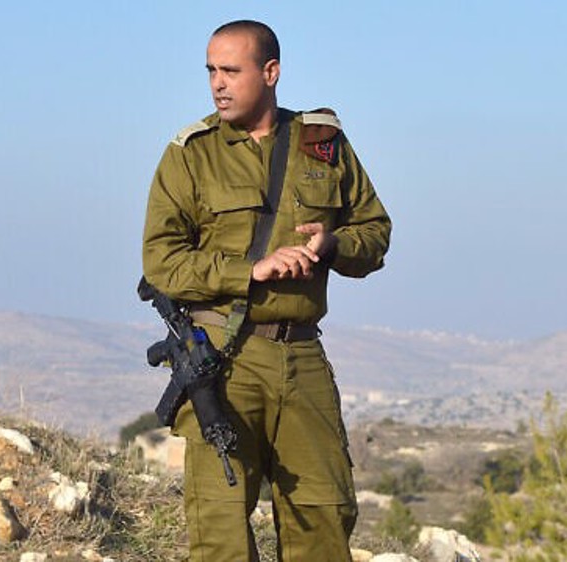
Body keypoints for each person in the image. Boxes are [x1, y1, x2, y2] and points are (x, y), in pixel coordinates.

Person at [142, 19, 391, 561]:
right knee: (221, 530)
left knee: (324, 518)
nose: (218, 84)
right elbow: (160, 262)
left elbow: (375, 232)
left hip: (302, 355)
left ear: (271, 72)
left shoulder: (322, 142)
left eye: (231, 70)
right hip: (224, 359)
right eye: (211, 71)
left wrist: (332, 245)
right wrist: (249, 270)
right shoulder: (190, 154)